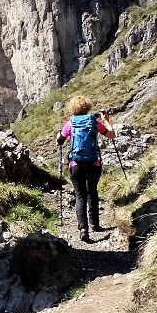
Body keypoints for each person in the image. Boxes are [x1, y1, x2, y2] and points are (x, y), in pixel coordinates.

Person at [57, 96, 115, 242]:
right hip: (93, 163)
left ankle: (83, 229)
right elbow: (111, 134)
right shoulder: (93, 122)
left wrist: (60, 134)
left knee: (80, 195)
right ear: (87, 107)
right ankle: (95, 223)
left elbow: (59, 141)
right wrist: (106, 119)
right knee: (92, 191)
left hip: (75, 165)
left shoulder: (70, 124)